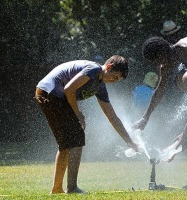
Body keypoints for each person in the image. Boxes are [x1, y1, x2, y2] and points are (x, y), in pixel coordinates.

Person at [34, 55, 138, 194]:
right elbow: (69, 89)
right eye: (114, 77)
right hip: (51, 92)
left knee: (66, 144)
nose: (113, 81)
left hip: (48, 93)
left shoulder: (100, 86)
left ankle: (57, 189)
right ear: (108, 67)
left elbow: (112, 117)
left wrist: (129, 141)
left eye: (116, 81)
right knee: (77, 138)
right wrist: (78, 114)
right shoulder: (94, 69)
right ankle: (72, 188)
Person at [133, 36, 187, 189]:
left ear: (163, 51)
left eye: (157, 59)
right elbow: (159, 91)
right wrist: (145, 118)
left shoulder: (186, 47)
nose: (158, 64)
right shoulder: (166, 66)